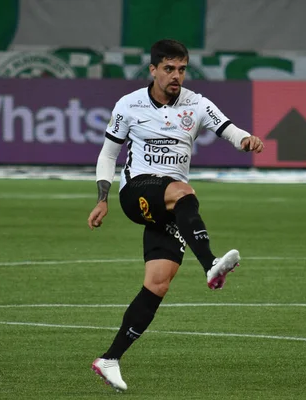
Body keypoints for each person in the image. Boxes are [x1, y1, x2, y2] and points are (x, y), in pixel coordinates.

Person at [87, 39, 264, 392]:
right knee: (184, 191)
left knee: (158, 283)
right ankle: (211, 263)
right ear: (152, 70)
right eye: (169, 69)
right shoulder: (129, 105)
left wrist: (246, 140)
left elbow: (228, 128)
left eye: (181, 69)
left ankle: (109, 358)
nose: (176, 76)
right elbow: (109, 154)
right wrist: (102, 197)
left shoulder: (196, 103)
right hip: (136, 191)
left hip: (169, 205)